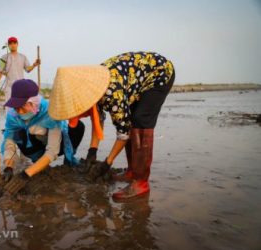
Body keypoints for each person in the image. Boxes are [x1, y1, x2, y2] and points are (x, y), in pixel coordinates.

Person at [49, 52, 175, 200]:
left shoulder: (111, 93)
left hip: (159, 74)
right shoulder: (93, 86)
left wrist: (107, 162)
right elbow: (98, 119)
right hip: (134, 81)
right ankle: (131, 171)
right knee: (131, 120)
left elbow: (124, 133)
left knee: (140, 121)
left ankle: (140, 183)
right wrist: (92, 151)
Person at [1, 79, 85, 195]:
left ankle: (67, 159)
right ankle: (38, 162)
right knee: (18, 133)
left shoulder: (50, 111)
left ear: (34, 102)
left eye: (22, 106)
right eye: (16, 107)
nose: (19, 112)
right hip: (35, 146)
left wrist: (26, 174)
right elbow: (9, 139)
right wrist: (9, 167)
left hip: (57, 144)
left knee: (78, 127)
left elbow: (52, 151)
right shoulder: (12, 115)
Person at [0, 37, 41, 105]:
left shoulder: (23, 57)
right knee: (9, 109)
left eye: (14, 43)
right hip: (9, 87)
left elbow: (28, 69)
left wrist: (34, 64)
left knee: (21, 108)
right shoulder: (3, 58)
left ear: (17, 44)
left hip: (21, 87)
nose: (13, 45)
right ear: (8, 45)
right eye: (10, 43)